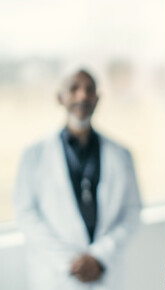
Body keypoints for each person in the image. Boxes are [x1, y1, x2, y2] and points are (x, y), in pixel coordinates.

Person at [13, 69, 142, 290]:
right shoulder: (33, 155)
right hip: (55, 276)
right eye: (74, 89)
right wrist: (70, 262)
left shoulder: (121, 155)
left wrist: (98, 257)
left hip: (104, 273)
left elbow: (131, 212)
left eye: (89, 90)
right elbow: (26, 214)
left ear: (98, 98)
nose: (82, 96)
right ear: (60, 98)